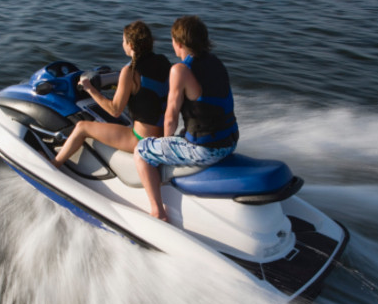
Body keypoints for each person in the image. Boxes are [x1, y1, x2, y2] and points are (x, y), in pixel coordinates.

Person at [134, 16, 239, 221]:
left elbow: (171, 117)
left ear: (178, 43)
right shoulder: (216, 63)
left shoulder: (180, 70)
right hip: (231, 141)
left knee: (142, 151)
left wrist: (162, 144)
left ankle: (158, 211)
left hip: (206, 150)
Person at [52, 21, 171, 168]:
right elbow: (149, 89)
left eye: (123, 41)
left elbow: (115, 110)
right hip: (163, 137)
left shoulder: (130, 71)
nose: (122, 44)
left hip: (141, 139)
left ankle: (54, 164)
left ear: (131, 45)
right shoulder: (164, 62)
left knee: (82, 127)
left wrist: (90, 89)